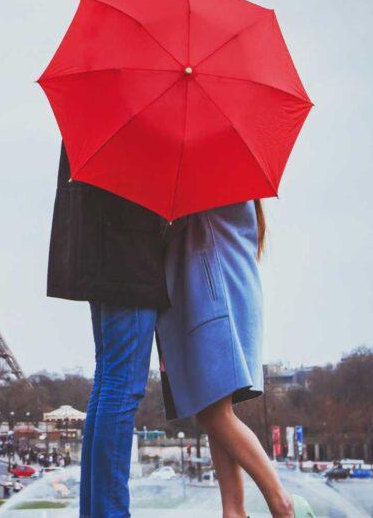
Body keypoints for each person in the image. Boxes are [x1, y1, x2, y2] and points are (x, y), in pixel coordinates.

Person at [157, 201, 313, 518]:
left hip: (213, 303)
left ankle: (281, 503)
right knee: (215, 409)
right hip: (225, 298)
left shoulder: (209, 189)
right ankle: (234, 511)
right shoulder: (237, 191)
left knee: (214, 414)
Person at [47, 145, 169, 517]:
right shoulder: (140, 108)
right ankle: (109, 512)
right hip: (128, 255)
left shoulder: (102, 106)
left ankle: (100, 510)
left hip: (104, 251)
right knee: (122, 388)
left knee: (110, 384)